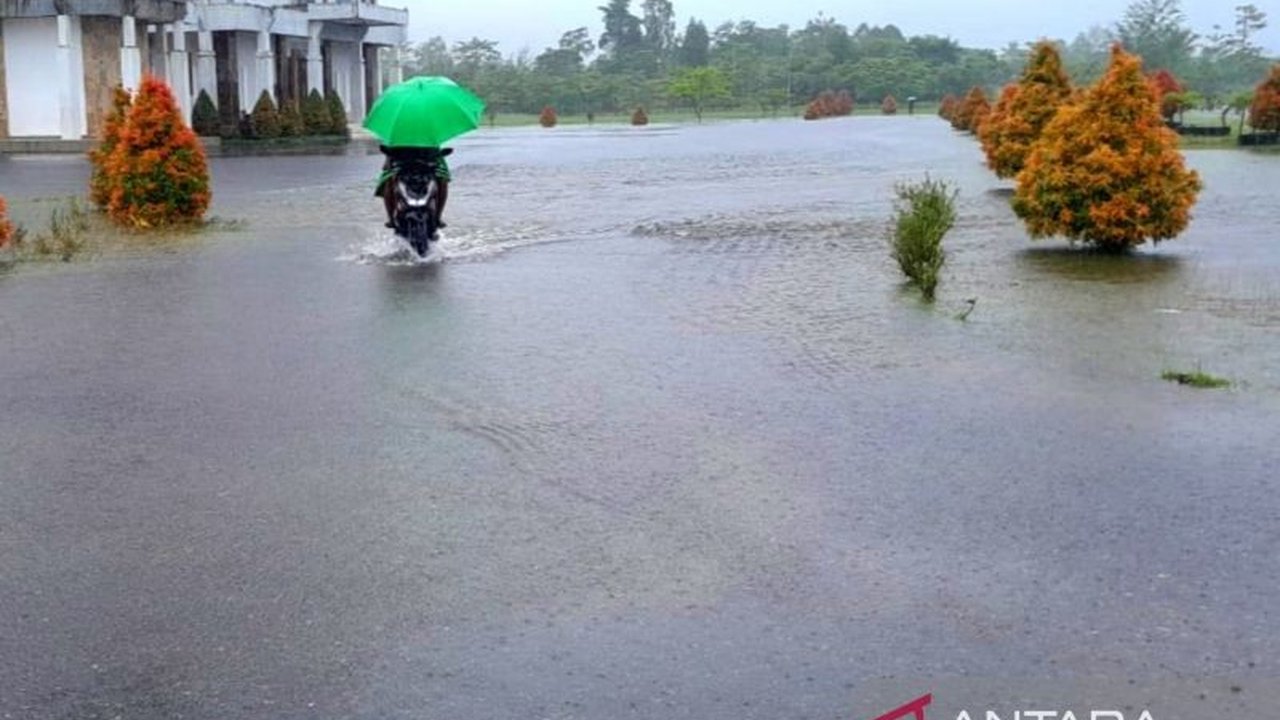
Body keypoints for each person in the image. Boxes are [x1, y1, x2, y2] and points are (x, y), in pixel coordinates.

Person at [375, 145, 451, 230]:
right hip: (400, 155)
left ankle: (438, 216)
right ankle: (391, 218)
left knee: (442, 177)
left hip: (429, 156)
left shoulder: (431, 136)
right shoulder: (396, 135)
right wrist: (388, 157)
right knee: (389, 178)